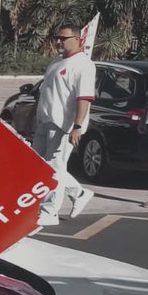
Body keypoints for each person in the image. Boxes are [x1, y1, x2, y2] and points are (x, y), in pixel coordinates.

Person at [34, 22, 96, 228]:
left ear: (77, 40)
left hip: (64, 125)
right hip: (45, 122)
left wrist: (77, 126)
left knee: (54, 169)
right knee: (41, 167)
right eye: (57, 38)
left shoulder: (84, 65)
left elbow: (84, 98)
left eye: (63, 38)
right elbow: (46, 93)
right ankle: (79, 193)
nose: (59, 42)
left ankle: (49, 211)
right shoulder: (56, 62)